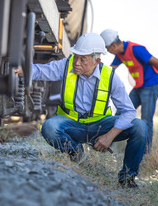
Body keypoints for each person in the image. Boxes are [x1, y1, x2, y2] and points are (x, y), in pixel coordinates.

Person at [29, 33, 147, 188]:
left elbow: (129, 111)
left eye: (82, 59)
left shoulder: (110, 77)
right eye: (75, 56)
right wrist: (21, 70)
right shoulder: (66, 66)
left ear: (96, 61)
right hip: (72, 125)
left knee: (140, 127)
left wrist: (109, 137)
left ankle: (127, 179)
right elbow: (40, 71)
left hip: (100, 127)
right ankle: (76, 153)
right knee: (49, 127)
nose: (76, 63)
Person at [100, 29, 158, 151]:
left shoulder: (136, 49)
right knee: (120, 113)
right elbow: (110, 70)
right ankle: (106, 146)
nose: (108, 51)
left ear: (113, 45)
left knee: (146, 120)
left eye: (107, 48)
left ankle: (145, 153)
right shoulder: (119, 55)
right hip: (139, 86)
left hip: (152, 85)